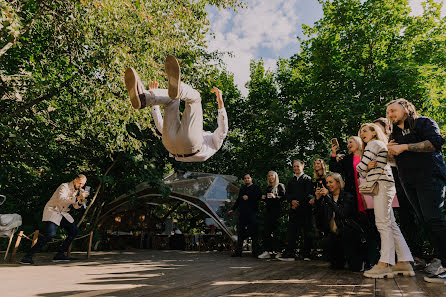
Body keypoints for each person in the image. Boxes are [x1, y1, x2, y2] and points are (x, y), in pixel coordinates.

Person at [386, 98, 446, 284]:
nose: (390, 115)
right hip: (408, 182)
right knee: (425, 222)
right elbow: (396, 161)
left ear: (405, 108)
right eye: (388, 112)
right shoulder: (395, 132)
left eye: (393, 110)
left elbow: (435, 143)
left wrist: (404, 147)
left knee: (434, 220)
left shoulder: (424, 122)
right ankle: (443, 264)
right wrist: (390, 152)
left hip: (430, 177)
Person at [124, 55, 228, 162]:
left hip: (191, 146)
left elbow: (223, 131)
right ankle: (145, 98)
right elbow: (161, 127)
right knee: (172, 100)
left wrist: (221, 103)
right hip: (170, 145)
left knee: (195, 98)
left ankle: (179, 90)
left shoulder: (212, 142)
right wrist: (155, 104)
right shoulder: (196, 134)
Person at [357, 123, 414, 279]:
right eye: (360, 132)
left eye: (365, 131)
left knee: (382, 223)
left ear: (374, 132)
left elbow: (359, 168)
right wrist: (366, 167)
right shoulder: (381, 144)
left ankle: (384, 264)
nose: (362, 134)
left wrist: (364, 167)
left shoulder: (372, 144)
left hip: (381, 185)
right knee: (391, 223)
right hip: (387, 184)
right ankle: (404, 261)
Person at [373, 117, 425, 267]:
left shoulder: (396, 139)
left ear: (387, 128)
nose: (375, 131)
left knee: (407, 218)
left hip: (401, 185)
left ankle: (416, 255)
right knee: (387, 222)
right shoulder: (376, 145)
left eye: (378, 128)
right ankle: (393, 257)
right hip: (383, 187)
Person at [20, 175, 90, 264]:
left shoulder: (79, 191)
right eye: (80, 183)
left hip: (63, 213)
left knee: (74, 230)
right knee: (50, 235)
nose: (81, 186)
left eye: (83, 184)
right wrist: (77, 198)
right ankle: (27, 257)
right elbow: (61, 199)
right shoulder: (64, 186)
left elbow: (76, 207)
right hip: (52, 211)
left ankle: (59, 255)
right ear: (75, 180)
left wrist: (81, 200)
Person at [314, 173, 365, 271]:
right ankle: (338, 260)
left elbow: (343, 213)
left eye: (330, 182)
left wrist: (328, 198)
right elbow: (319, 220)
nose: (328, 185)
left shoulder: (348, 196)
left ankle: (356, 259)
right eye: (327, 182)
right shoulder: (326, 199)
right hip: (334, 236)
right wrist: (318, 200)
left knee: (355, 268)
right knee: (336, 266)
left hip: (349, 235)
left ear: (338, 183)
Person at [278, 160, 314, 261]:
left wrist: (298, 202)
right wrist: (292, 201)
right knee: (292, 232)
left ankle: (306, 254)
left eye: (298, 166)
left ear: (302, 166)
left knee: (306, 232)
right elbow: (287, 194)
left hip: (305, 209)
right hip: (294, 210)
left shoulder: (308, 179)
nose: (296, 168)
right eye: (294, 166)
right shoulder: (291, 180)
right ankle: (291, 254)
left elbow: (308, 193)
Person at [227, 173, 262, 257]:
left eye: (248, 178)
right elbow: (238, 200)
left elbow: (259, 196)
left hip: (252, 213)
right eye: (245, 178)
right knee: (240, 232)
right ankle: (238, 252)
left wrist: (249, 197)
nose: (246, 179)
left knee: (253, 232)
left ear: (251, 179)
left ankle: (255, 252)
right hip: (242, 214)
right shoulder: (242, 188)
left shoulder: (256, 187)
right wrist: (232, 209)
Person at [257, 171, 286, 259]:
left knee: (277, 232)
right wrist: (263, 198)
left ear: (275, 176)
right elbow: (267, 200)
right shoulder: (268, 187)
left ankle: (279, 251)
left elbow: (284, 197)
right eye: (269, 176)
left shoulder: (280, 186)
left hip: (277, 213)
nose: (270, 177)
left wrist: (275, 196)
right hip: (268, 213)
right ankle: (267, 251)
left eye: (272, 176)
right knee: (266, 232)